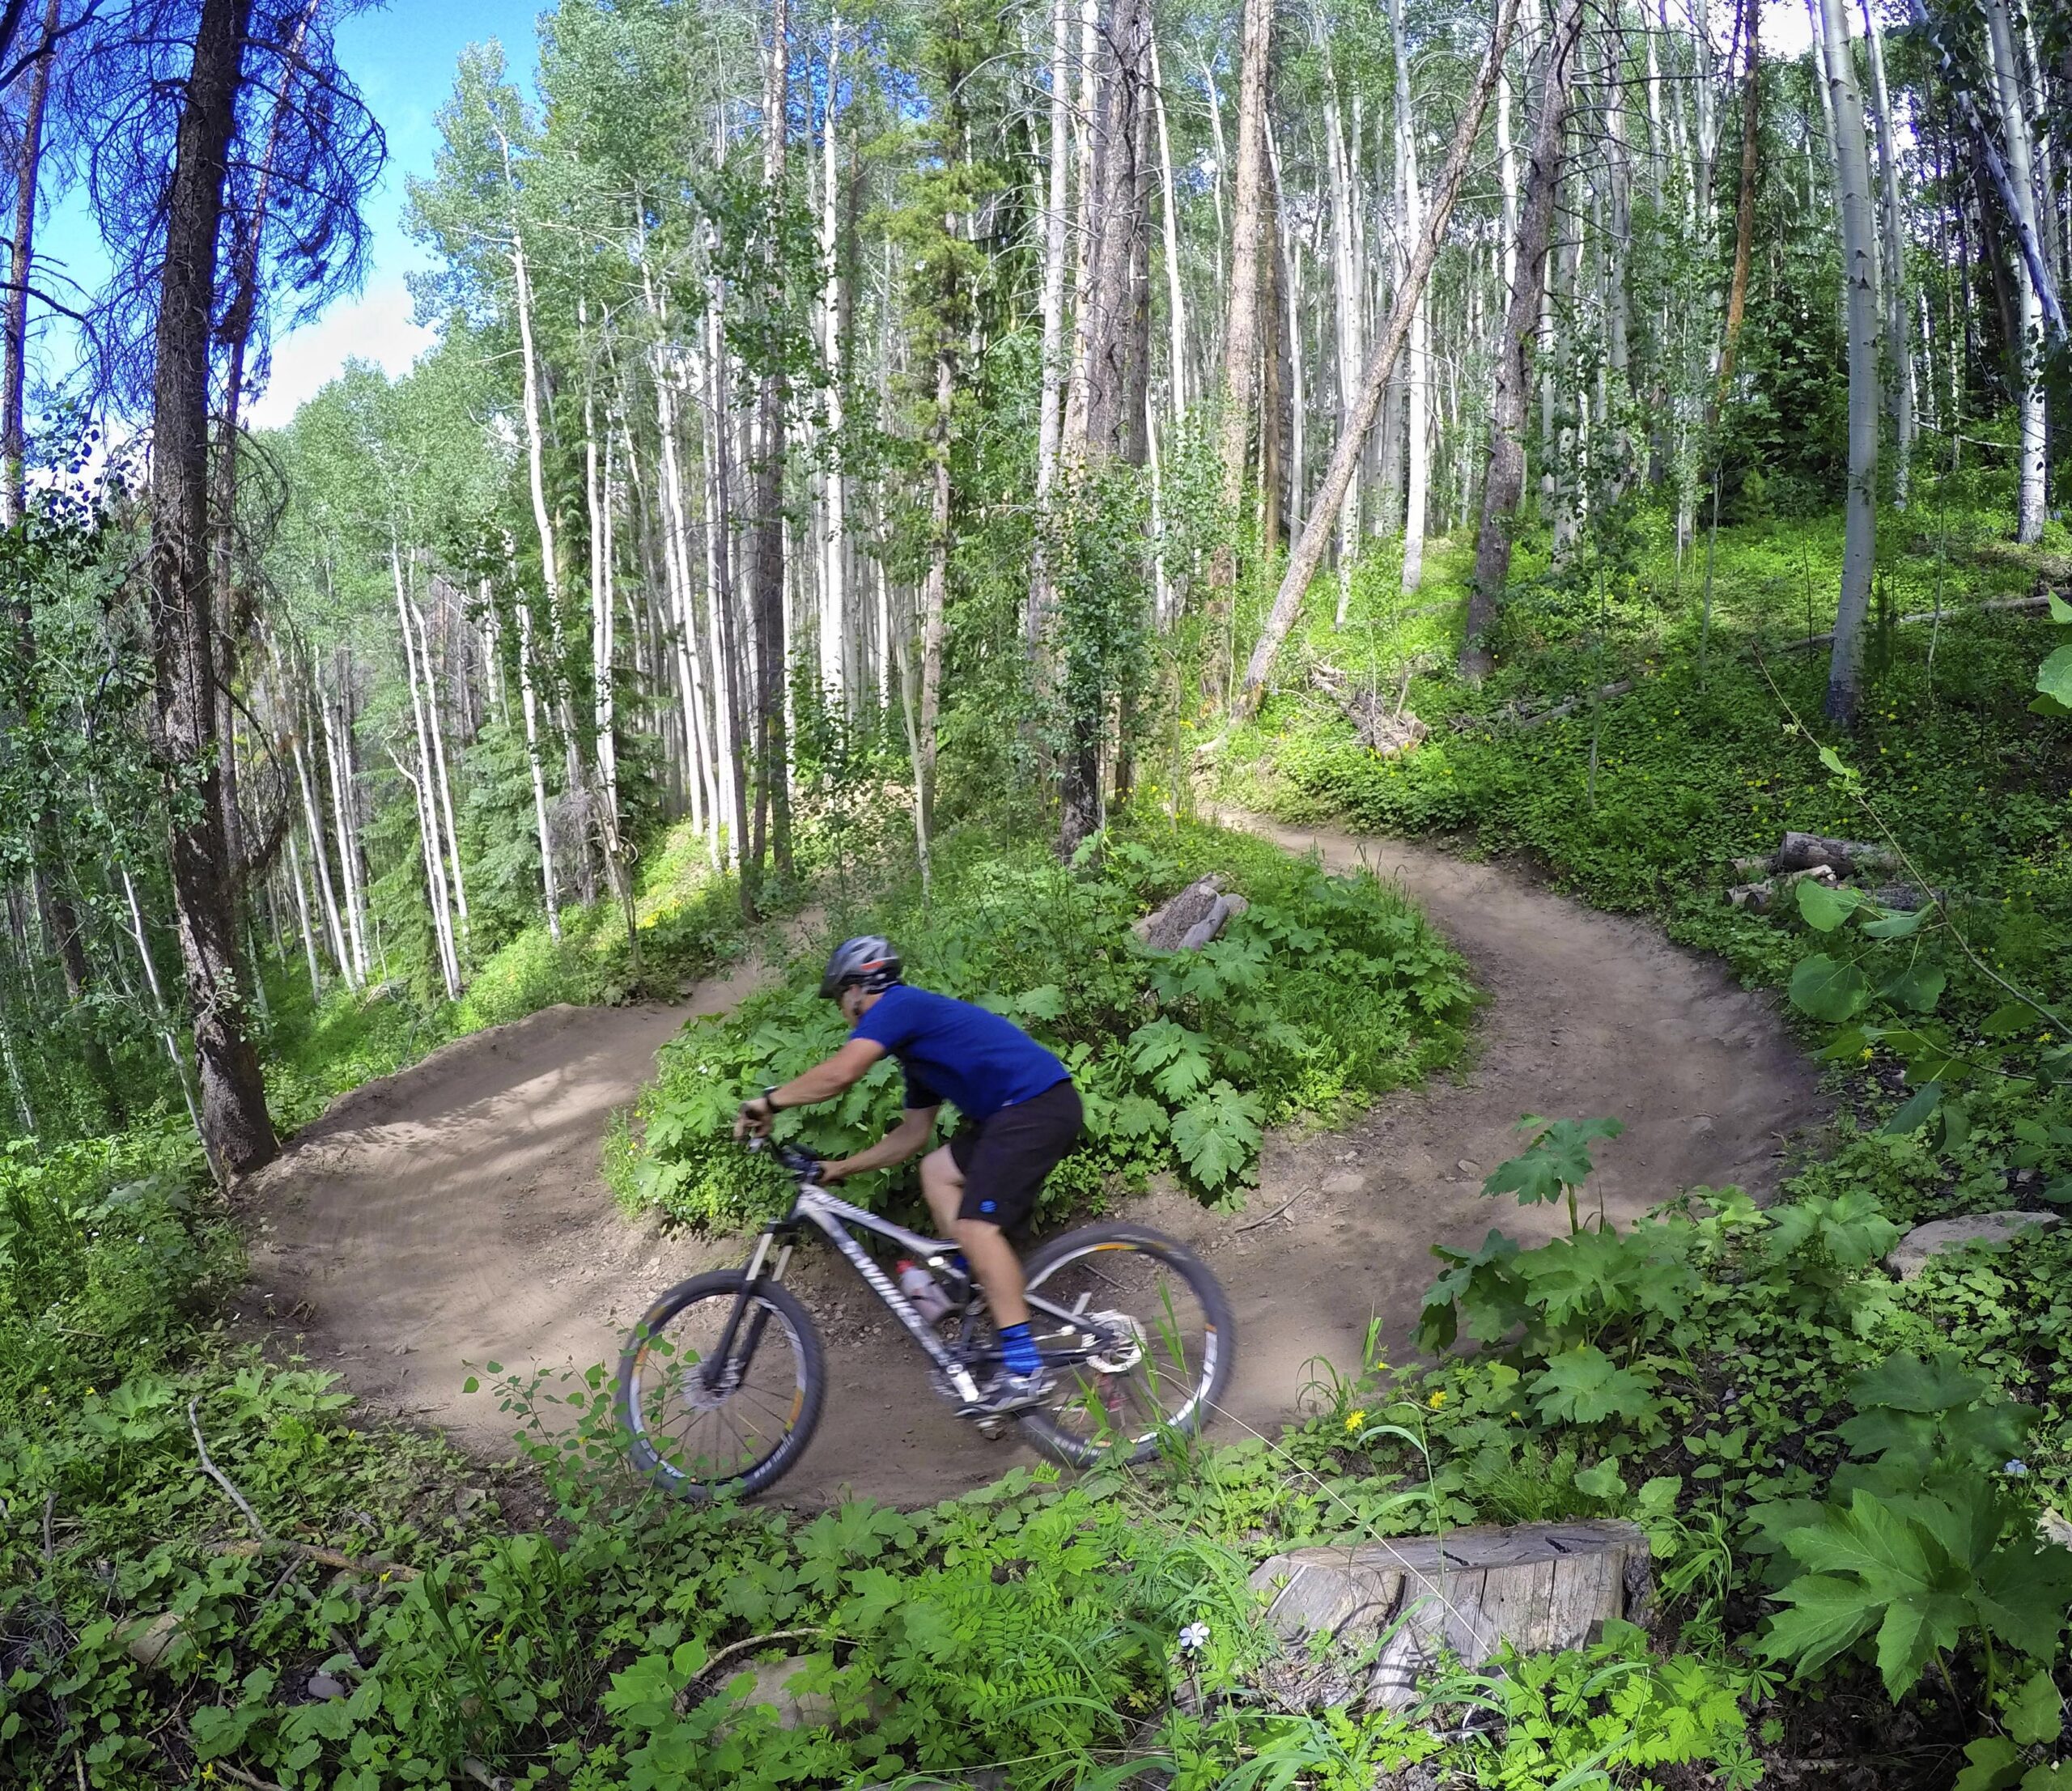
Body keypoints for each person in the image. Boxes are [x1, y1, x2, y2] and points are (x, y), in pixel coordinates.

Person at [734, 935, 1083, 1413]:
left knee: (977, 1226)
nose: (843, 1012)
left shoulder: (899, 1006)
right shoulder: (918, 1050)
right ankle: (968, 1279)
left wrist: (768, 1101)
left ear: (861, 987)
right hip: (1017, 1112)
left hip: (1034, 1108)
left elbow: (840, 1074)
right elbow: (912, 1135)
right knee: (937, 1169)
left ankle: (1025, 1369)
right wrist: (839, 1168)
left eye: (841, 998)